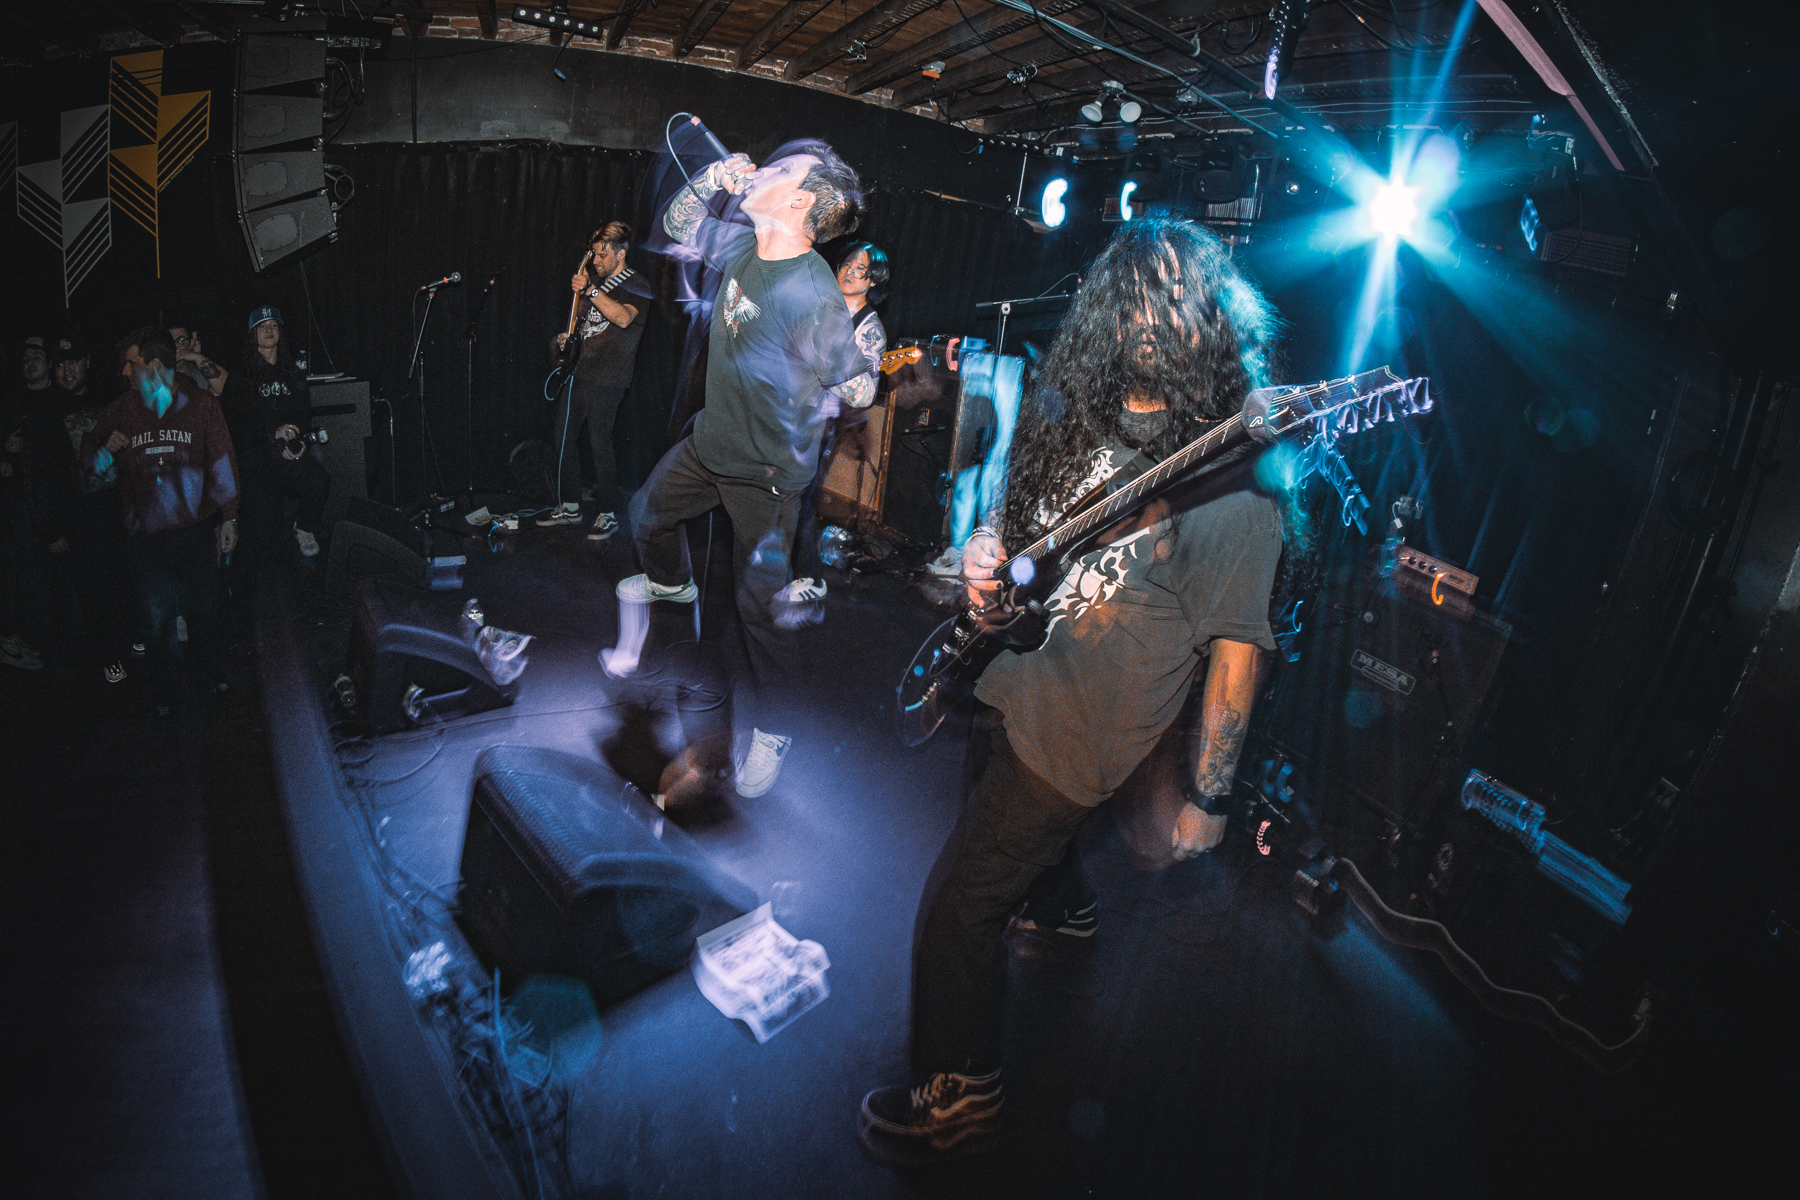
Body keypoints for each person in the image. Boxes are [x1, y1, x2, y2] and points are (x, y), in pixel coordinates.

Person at [858, 220, 1287, 1165]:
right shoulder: (1074, 408)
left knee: (960, 907)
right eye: (1137, 297)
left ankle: (960, 1088)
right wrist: (985, 553)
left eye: (1178, 299)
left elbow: (1238, 653)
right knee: (1008, 834)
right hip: (1011, 676)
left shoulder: (1232, 481)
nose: (1154, 318)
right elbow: (1019, 530)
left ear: (1212, 318)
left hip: (1084, 730)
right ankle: (1062, 909)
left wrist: (1210, 798)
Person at [629, 139, 871, 799]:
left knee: (758, 612)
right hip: (710, 444)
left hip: (766, 475)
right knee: (646, 515)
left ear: (800, 202)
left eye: (782, 169)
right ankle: (673, 604)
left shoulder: (814, 292)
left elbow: (857, 388)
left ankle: (775, 729)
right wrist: (712, 175)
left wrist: (852, 360)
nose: (764, 167)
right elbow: (676, 224)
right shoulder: (740, 244)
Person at [81, 326, 240, 711]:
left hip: (195, 533)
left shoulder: (200, 403)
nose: (124, 372)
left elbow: (223, 460)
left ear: (153, 365)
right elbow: (87, 463)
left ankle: (212, 685)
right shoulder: (123, 408)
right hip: (148, 541)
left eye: (130, 364)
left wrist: (230, 517)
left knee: (205, 615)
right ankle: (166, 699)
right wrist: (103, 448)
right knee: (156, 624)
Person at [786, 241, 890, 620]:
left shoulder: (869, 329)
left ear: (873, 281)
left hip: (821, 420)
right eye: (846, 264)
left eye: (860, 269)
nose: (848, 271)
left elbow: (865, 391)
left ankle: (810, 576)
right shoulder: (820, 308)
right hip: (789, 409)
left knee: (802, 497)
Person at [539, 221, 654, 540]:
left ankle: (608, 512)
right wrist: (569, 339)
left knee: (599, 442)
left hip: (610, 375)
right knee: (563, 436)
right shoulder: (598, 282)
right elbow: (584, 322)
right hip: (581, 370)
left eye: (603, 255)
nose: (596, 261)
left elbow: (622, 318)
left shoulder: (638, 283)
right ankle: (570, 507)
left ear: (621, 253)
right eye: (594, 255)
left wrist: (590, 290)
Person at [51, 335, 136, 684]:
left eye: (73, 361)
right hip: (80, 516)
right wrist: (54, 528)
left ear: (86, 362)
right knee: (92, 589)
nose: (68, 370)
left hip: (118, 505)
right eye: (61, 364)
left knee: (126, 576)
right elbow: (49, 475)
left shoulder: (109, 397)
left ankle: (133, 637)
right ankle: (108, 655)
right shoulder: (48, 411)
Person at [229, 306, 329, 558]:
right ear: (252, 334)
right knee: (267, 540)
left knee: (319, 480)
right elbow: (237, 427)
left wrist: (299, 442)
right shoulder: (241, 376)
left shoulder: (293, 372)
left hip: (289, 452)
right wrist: (272, 435)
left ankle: (304, 527)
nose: (269, 330)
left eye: (273, 325)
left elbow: (304, 414)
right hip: (258, 458)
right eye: (262, 326)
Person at [1, 334, 69, 669]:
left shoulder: (61, 399)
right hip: (21, 504)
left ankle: (64, 646)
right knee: (26, 574)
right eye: (25, 358)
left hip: (60, 500)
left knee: (62, 576)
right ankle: (24, 643)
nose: (30, 363)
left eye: (37, 357)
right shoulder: (11, 401)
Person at [168, 324, 229, 398]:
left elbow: (222, 388)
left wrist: (197, 357)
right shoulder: (159, 375)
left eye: (180, 340)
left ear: (191, 343)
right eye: (169, 342)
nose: (175, 346)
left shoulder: (200, 374)